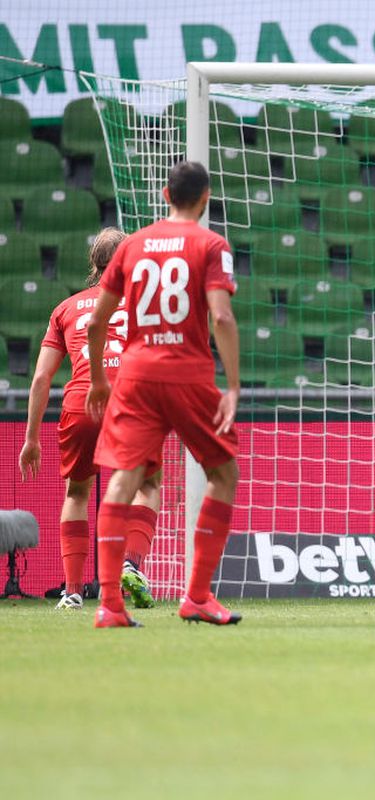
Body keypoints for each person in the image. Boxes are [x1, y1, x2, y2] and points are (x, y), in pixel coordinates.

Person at [86, 160, 241, 629]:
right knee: (223, 473)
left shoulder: (131, 246)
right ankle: (197, 597)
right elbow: (222, 317)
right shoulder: (211, 245)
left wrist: (99, 379)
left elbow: (96, 322)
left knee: (124, 479)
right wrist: (234, 385)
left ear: (164, 194)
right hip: (188, 373)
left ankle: (109, 605)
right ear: (206, 198)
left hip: (136, 376)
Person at [18, 228, 163, 611]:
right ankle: (131, 563)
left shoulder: (65, 308)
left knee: (77, 493)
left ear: (94, 265)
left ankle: (72, 592)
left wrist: (31, 439)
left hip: (82, 403)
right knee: (149, 485)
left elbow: (41, 379)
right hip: (132, 402)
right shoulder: (146, 305)